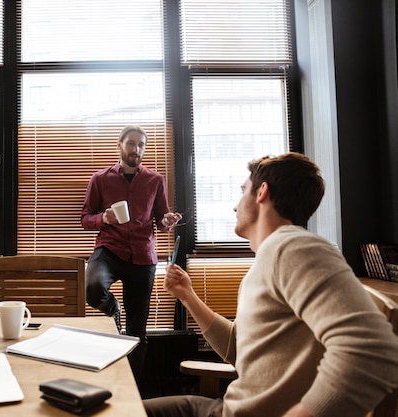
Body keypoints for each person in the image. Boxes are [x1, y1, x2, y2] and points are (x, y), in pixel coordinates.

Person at [143, 152, 398, 417]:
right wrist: (188, 296)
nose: (235, 206)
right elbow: (239, 348)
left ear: (262, 192)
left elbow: (371, 352)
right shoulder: (270, 255)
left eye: (243, 191)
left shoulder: (292, 247)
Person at [81, 125, 181, 376]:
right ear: (120, 145)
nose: (136, 149)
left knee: (137, 332)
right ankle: (113, 307)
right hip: (109, 249)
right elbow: (85, 218)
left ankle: (134, 391)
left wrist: (167, 222)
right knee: (92, 289)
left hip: (143, 256)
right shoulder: (100, 179)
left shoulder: (155, 180)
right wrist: (103, 218)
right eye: (131, 143)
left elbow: (161, 220)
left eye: (141, 145)